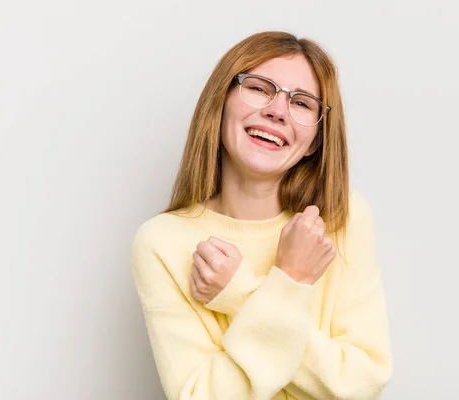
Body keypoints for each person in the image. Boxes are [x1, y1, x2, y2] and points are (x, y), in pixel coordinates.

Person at [131, 31, 393, 400]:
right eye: (258, 88)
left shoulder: (344, 217)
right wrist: (289, 282)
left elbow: (360, 383)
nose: (277, 111)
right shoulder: (162, 241)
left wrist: (240, 295)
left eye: (302, 103)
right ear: (219, 104)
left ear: (315, 140)